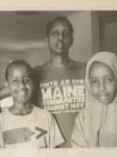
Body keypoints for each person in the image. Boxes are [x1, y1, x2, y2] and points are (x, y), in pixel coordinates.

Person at [35, 16, 86, 148]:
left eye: (66, 33)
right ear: (47, 39)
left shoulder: (86, 69)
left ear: (72, 39)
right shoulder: (35, 73)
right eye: (55, 33)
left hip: (82, 148)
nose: (61, 37)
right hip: (49, 150)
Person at [0, 60, 64, 149]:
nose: (22, 85)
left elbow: (55, 155)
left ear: (33, 84)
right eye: (15, 81)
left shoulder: (47, 117)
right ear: (7, 85)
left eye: (26, 80)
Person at [71, 52, 117, 148]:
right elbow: (78, 152)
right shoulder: (83, 117)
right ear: (88, 83)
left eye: (109, 80)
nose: (101, 88)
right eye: (94, 81)